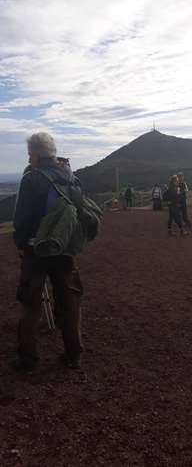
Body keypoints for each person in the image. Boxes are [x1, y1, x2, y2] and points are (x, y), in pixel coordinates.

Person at [12, 132, 84, 371]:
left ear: (34, 154)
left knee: (31, 304)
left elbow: (21, 219)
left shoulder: (31, 178)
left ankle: (28, 360)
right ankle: (73, 354)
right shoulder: (70, 175)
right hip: (64, 248)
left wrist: (21, 244)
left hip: (36, 250)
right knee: (69, 301)